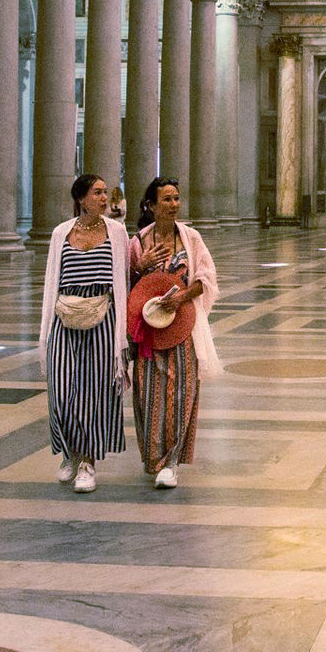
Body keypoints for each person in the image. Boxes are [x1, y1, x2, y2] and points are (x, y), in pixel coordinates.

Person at [34, 174, 134, 493]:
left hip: (103, 318)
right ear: (81, 198)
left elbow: (124, 277)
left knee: (94, 393)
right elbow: (52, 279)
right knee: (62, 391)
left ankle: (87, 463)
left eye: (105, 192)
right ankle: (71, 452)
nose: (104, 198)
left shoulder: (116, 232)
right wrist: (46, 328)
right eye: (97, 193)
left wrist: (124, 332)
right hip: (64, 317)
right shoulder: (61, 233)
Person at [128, 176, 222, 489]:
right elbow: (126, 285)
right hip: (149, 331)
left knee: (181, 392)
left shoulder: (190, 238)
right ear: (151, 206)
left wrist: (182, 296)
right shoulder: (138, 242)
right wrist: (140, 266)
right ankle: (154, 460)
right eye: (166, 199)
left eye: (176, 198)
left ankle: (171, 462)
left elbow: (206, 278)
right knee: (149, 394)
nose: (173, 205)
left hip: (183, 326)